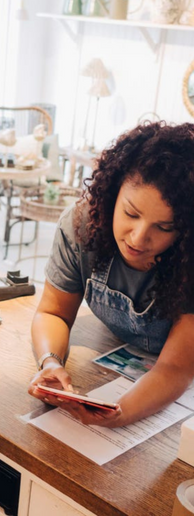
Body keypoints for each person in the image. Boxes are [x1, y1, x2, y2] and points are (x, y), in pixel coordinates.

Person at [28, 122, 194, 428]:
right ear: (112, 193)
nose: (139, 238)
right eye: (131, 214)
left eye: (164, 227)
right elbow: (53, 312)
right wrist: (50, 361)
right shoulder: (81, 226)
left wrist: (122, 412)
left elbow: (176, 367)